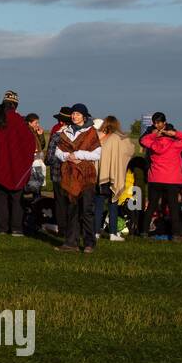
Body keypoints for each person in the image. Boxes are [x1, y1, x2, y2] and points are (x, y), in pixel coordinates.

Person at [0, 91, 35, 237]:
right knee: (16, 198)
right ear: (15, 104)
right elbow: (30, 143)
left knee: (0, 197)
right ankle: (16, 228)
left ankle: (2, 228)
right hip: (16, 165)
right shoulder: (17, 120)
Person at [53, 104, 101, 253]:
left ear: (84, 116)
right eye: (73, 114)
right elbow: (57, 152)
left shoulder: (91, 132)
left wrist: (78, 154)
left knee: (86, 210)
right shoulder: (65, 132)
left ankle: (89, 243)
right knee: (72, 209)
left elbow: (97, 154)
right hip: (70, 175)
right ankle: (71, 242)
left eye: (78, 114)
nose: (74, 116)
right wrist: (68, 156)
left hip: (86, 176)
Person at [139, 113, 182, 240]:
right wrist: (174, 134)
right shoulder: (175, 145)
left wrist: (154, 135)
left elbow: (143, 140)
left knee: (152, 205)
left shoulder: (153, 144)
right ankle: (176, 234)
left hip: (155, 178)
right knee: (174, 207)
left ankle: (144, 231)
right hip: (171, 179)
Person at [96, 115, 136, 241]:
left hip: (101, 176)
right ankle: (113, 233)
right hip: (115, 177)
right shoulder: (121, 138)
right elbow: (131, 150)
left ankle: (95, 232)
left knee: (98, 205)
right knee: (113, 205)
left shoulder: (99, 137)